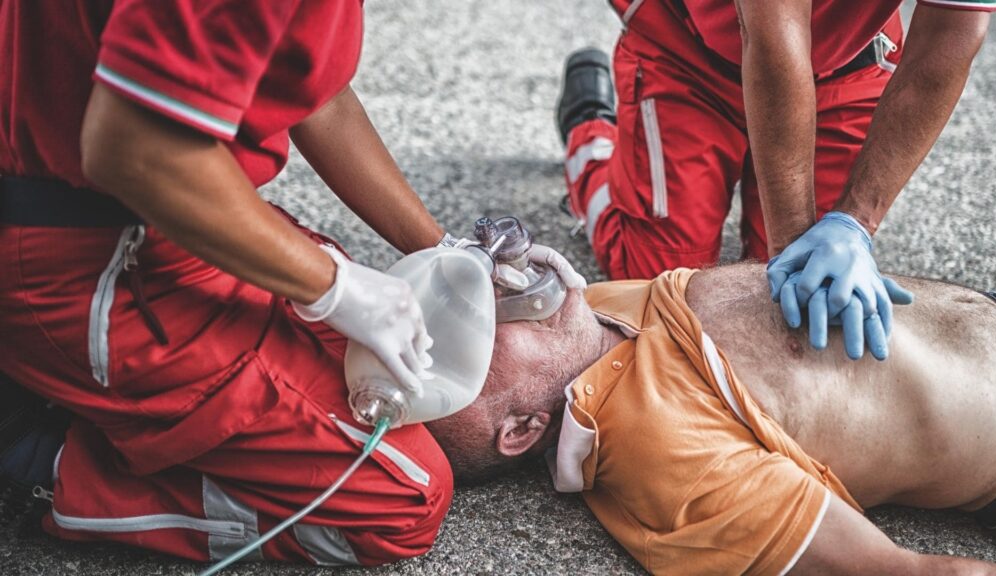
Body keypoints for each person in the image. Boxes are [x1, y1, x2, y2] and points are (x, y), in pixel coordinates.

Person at [0, 0, 582, 566]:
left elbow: (313, 88)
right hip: (85, 262)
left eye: (541, 313)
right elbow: (137, 151)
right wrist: (334, 287)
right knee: (402, 500)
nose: (524, 298)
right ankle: (41, 454)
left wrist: (437, 250)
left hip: (137, 218)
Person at [425, 263, 996, 575]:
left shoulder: (589, 320)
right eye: (469, 344)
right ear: (523, 429)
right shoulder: (667, 465)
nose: (483, 303)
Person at [554, 0, 996, 361]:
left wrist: (855, 223)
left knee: (804, 305)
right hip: (687, 51)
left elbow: (952, 34)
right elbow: (771, 34)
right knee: (656, 286)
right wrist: (790, 248)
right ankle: (590, 135)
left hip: (847, 62)